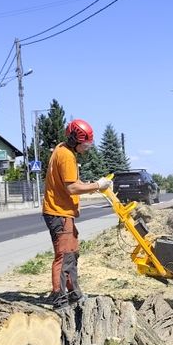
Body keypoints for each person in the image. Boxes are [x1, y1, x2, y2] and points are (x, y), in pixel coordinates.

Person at [42, 119, 111, 309]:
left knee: (72, 254)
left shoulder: (63, 150)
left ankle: (73, 294)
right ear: (75, 140)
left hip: (63, 213)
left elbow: (69, 184)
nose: (87, 147)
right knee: (64, 257)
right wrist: (98, 185)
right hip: (59, 213)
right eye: (85, 144)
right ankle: (60, 300)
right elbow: (72, 188)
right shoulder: (66, 156)